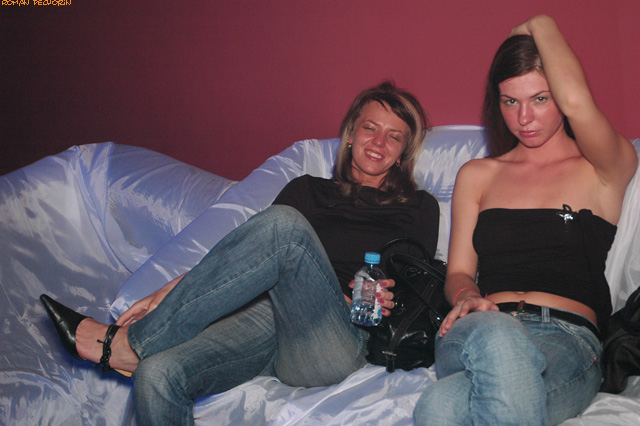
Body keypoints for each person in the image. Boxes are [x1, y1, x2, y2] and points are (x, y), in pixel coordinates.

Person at [40, 81, 441, 426]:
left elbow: (416, 290)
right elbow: (246, 255)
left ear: (403, 152)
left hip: (335, 336)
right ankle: (143, 349)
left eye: (394, 136)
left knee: (284, 226)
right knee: (157, 375)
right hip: (265, 318)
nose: (378, 143)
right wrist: (164, 292)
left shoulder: (418, 207)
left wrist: (381, 298)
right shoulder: (306, 189)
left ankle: (132, 344)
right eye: (370, 128)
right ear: (351, 133)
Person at [413, 15, 638, 426]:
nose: (524, 118)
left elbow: (578, 102)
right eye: (510, 102)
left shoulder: (603, 168)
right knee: (498, 335)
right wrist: (466, 295)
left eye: (540, 98)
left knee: (439, 407)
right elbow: (459, 271)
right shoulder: (478, 175)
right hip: (481, 327)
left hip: (566, 338)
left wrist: (540, 24)